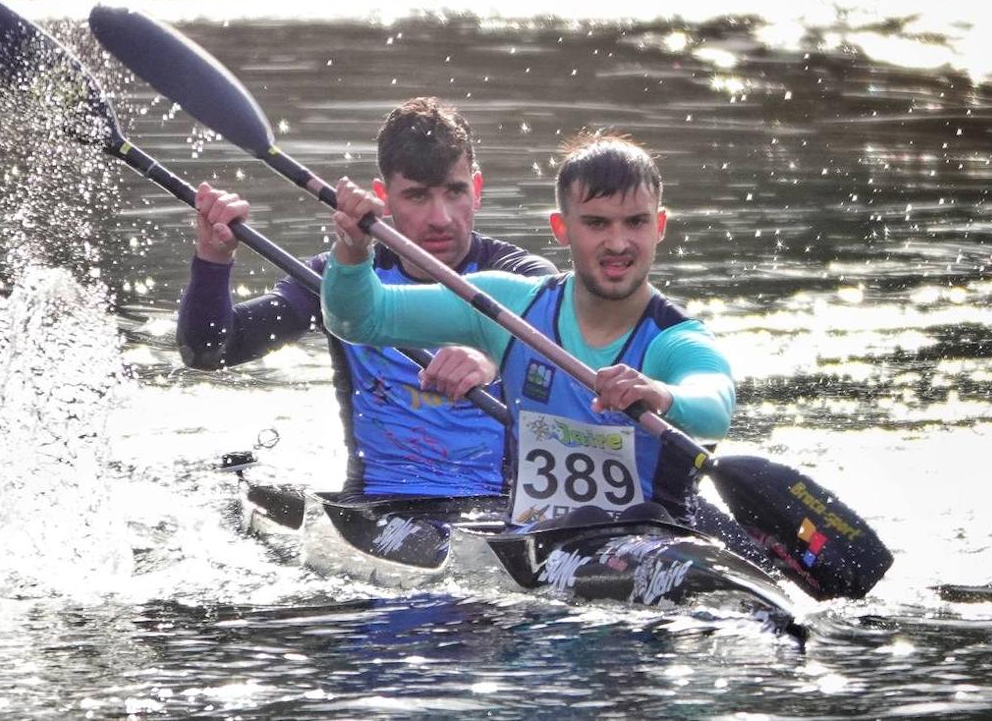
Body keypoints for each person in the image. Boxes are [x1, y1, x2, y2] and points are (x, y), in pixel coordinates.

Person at [320, 132, 735, 527]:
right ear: (561, 229)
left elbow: (714, 406)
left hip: (654, 542)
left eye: (635, 222)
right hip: (534, 544)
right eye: (596, 223)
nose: (618, 243)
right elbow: (361, 319)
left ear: (659, 226)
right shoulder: (511, 308)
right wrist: (354, 250)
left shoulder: (674, 339)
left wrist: (663, 394)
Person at [177, 97, 556, 498]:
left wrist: (491, 357)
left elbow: (556, 342)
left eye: (455, 192)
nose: (441, 217)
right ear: (384, 197)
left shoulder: (523, 276)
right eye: (417, 196)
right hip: (376, 503)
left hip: (504, 507)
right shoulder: (338, 278)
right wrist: (213, 260)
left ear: (476, 190)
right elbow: (208, 351)